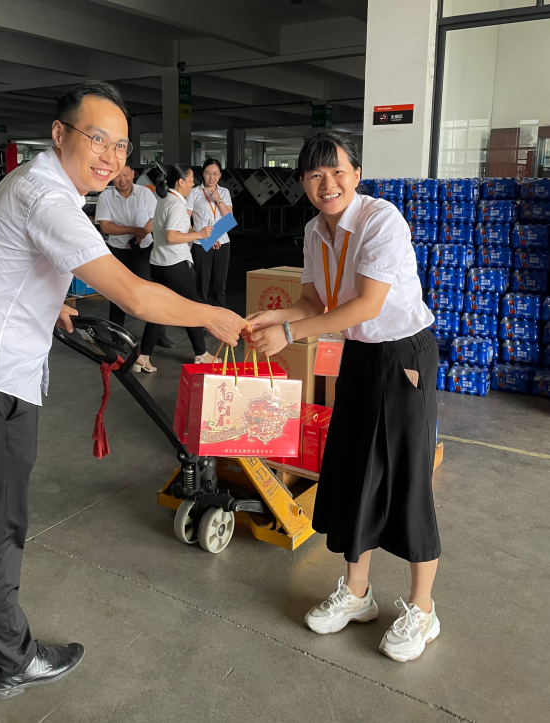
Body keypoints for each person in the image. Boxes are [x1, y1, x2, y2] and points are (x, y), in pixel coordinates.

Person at [0, 80, 243, 699]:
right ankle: (12, 658)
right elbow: (133, 294)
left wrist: (51, 303)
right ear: (60, 134)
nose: (110, 156)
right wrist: (212, 315)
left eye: (121, 145)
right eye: (97, 138)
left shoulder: (36, 184)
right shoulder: (47, 198)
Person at [244, 130, 440, 663]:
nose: (327, 183)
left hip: (403, 356)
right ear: (303, 182)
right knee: (355, 471)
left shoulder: (381, 221)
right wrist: (274, 316)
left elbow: (367, 306)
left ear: (356, 174)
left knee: (407, 477)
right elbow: (314, 301)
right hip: (359, 356)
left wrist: (290, 333)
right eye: (315, 174)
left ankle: (423, 609)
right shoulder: (315, 231)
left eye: (337, 171)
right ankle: (357, 593)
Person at [138, 164, 219, 372]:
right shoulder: (176, 204)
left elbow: (176, 230)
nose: (193, 184)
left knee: (159, 312)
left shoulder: (165, 200)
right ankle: (201, 354)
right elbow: (172, 236)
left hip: (159, 264)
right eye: (191, 180)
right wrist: (199, 235)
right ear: (181, 182)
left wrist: (198, 232)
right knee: (193, 308)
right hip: (174, 266)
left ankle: (143, 356)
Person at [95, 163, 174, 353]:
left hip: (144, 250)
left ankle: (158, 333)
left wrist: (142, 233)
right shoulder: (106, 196)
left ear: (132, 175)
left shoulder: (145, 193)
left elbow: (155, 219)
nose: (122, 179)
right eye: (117, 176)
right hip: (118, 251)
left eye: (125, 175)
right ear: (112, 177)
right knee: (117, 293)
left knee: (150, 291)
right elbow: (106, 226)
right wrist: (134, 230)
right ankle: (116, 335)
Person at [187, 158, 233, 307]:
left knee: (220, 285)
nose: (211, 177)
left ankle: (220, 316)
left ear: (220, 175)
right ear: (203, 173)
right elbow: (186, 220)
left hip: (222, 243)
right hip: (201, 243)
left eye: (215, 173)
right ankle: (201, 318)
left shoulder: (224, 192)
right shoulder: (194, 193)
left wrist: (219, 200)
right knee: (202, 285)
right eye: (208, 173)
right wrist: (205, 238)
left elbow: (229, 219)